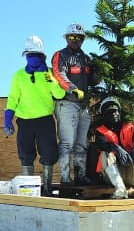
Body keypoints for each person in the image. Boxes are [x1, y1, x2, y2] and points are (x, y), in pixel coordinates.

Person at [3, 36, 65, 196]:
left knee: (49, 153)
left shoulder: (49, 74)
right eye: (29, 55)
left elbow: (59, 94)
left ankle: (48, 189)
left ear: (42, 56)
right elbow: (12, 99)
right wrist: (8, 119)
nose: (32, 58)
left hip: (44, 120)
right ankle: (28, 189)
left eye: (35, 55)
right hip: (24, 122)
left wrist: (51, 80)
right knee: (25, 154)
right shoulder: (19, 76)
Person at [51, 23, 99, 186]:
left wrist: (99, 73)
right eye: (72, 37)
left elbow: (92, 80)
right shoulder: (60, 55)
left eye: (79, 37)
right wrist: (73, 89)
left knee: (81, 144)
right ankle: (65, 178)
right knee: (67, 143)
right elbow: (58, 74)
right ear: (67, 38)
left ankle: (81, 176)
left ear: (83, 39)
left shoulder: (85, 58)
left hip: (84, 106)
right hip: (67, 104)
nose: (75, 40)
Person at [93, 96, 134, 199]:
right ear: (105, 115)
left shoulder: (129, 126)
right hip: (113, 177)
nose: (114, 114)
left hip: (131, 173)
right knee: (105, 154)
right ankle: (120, 189)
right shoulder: (100, 131)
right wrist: (118, 149)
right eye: (110, 112)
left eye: (115, 111)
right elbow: (102, 144)